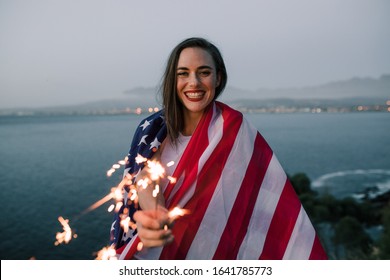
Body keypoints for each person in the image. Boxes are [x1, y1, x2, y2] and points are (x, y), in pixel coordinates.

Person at [110, 37, 328, 260]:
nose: (193, 82)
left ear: (218, 78)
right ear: (172, 80)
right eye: (183, 73)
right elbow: (145, 178)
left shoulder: (234, 129)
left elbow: (265, 197)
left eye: (204, 72)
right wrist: (154, 214)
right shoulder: (152, 130)